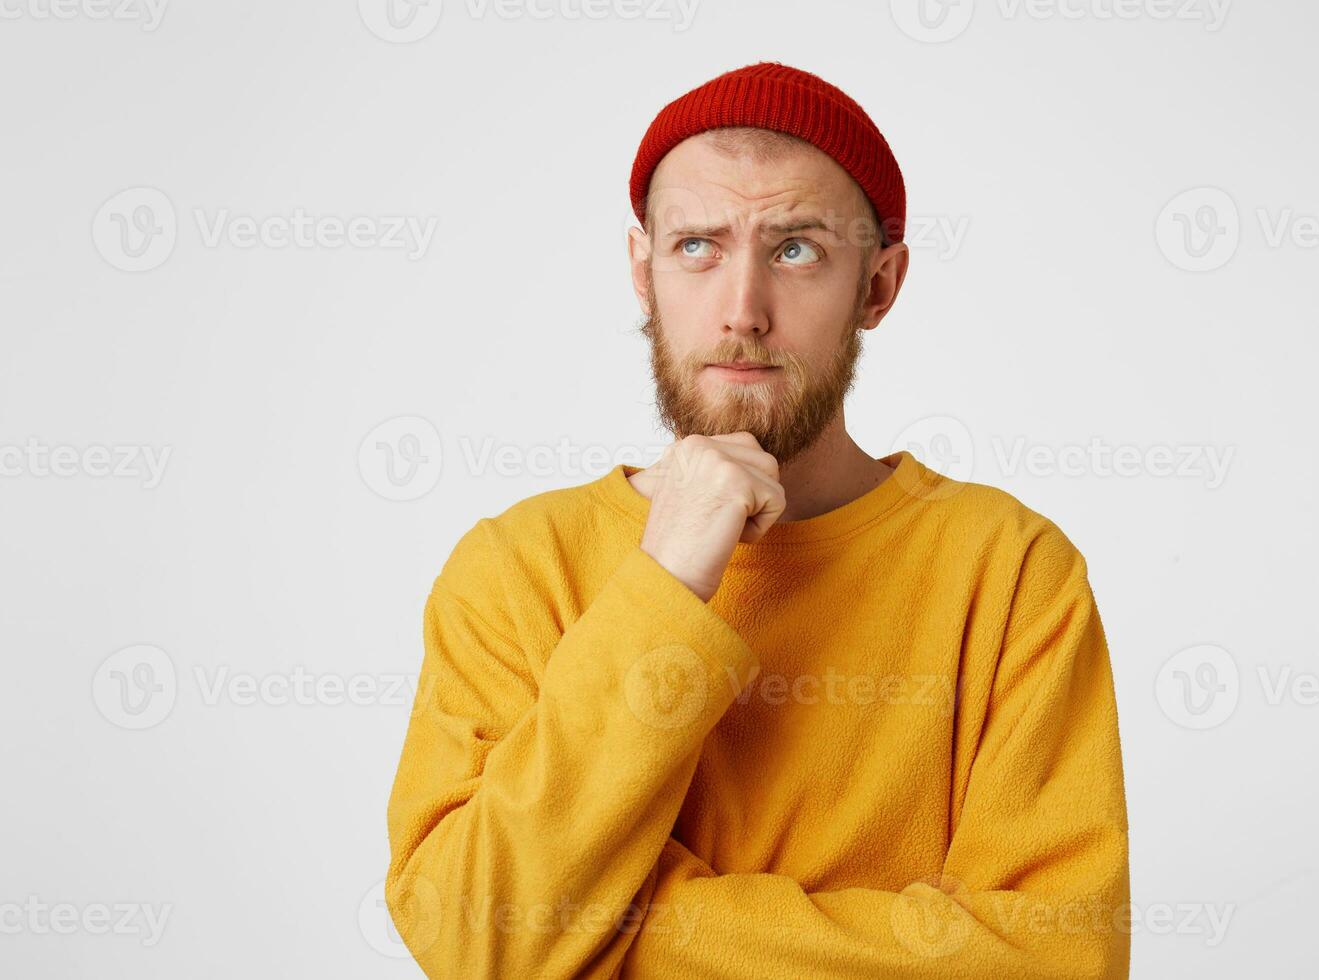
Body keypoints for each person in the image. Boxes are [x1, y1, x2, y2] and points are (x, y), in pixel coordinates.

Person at [385, 60, 1130, 979]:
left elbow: (1057, 961)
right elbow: (474, 939)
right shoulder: (514, 568)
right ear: (642, 271)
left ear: (878, 286)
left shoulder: (1012, 572)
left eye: (795, 250)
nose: (742, 313)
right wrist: (665, 585)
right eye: (697, 245)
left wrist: (615, 936)